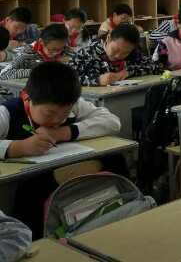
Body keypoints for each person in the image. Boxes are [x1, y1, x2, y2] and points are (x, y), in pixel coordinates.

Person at [1, 63, 121, 236]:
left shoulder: (71, 104)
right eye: (49, 113)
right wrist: (17, 147)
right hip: (23, 198)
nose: (57, 120)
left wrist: (64, 132)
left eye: (65, 114)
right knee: (35, 187)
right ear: (28, 97)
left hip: (69, 193)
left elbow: (113, 122)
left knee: (114, 159)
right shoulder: (7, 113)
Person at [70, 24, 161, 86]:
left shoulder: (134, 54)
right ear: (109, 38)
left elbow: (155, 67)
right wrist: (97, 80)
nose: (118, 55)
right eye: (115, 49)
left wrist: (128, 71)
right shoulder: (86, 54)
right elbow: (66, 79)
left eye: (125, 53)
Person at [0, 24, 71, 81]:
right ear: (41, 42)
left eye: (60, 49)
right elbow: (4, 74)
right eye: (52, 49)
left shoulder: (66, 51)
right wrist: (38, 71)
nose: (56, 53)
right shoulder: (26, 53)